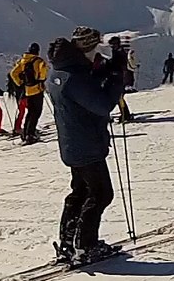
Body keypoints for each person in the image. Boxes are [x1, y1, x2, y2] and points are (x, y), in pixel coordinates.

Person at [46, 26, 128, 262]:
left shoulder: (61, 70)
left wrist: (107, 70)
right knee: (101, 194)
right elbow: (101, 104)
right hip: (87, 144)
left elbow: (85, 87)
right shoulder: (75, 77)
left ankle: (69, 242)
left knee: (81, 191)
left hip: (73, 142)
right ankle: (85, 246)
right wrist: (115, 77)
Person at [10, 43, 49, 145]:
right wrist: (41, 79)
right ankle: (30, 134)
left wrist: (20, 83)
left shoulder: (23, 61)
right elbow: (43, 74)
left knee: (30, 112)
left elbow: (13, 73)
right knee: (36, 112)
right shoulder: (39, 61)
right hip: (37, 89)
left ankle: (25, 133)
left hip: (27, 90)